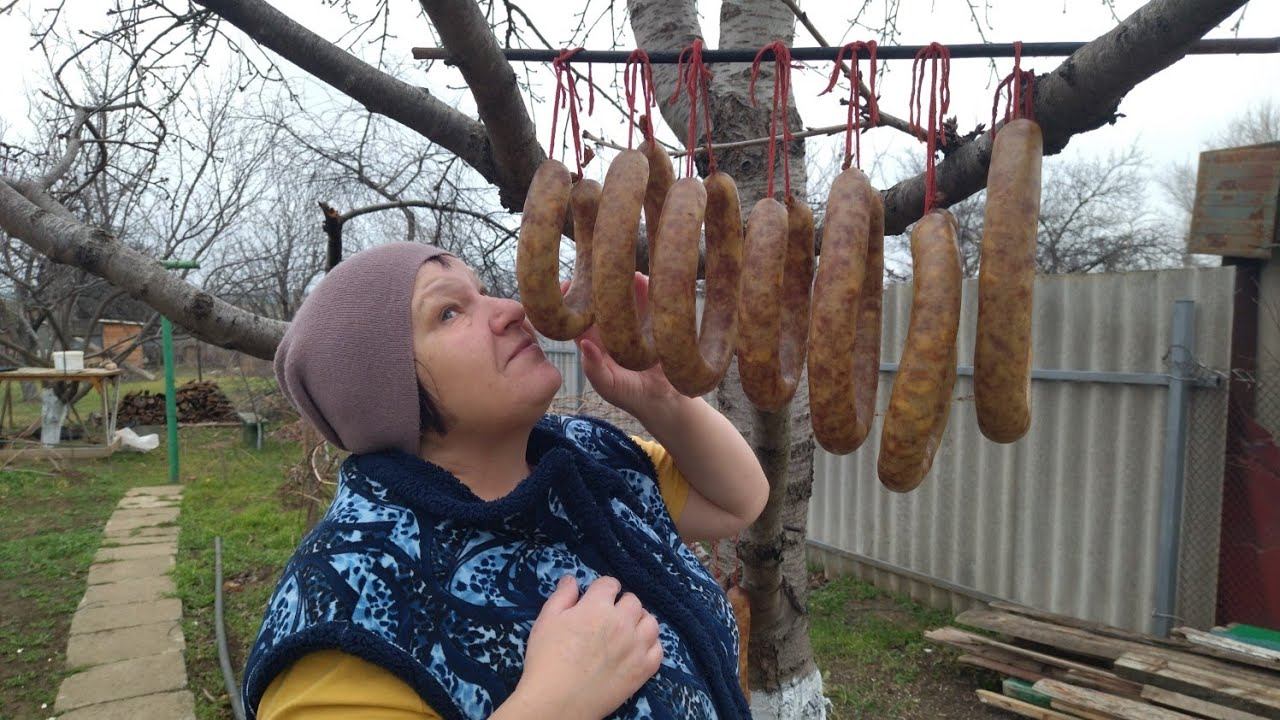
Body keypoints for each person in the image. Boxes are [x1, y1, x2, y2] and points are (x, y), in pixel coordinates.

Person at [242, 242, 769, 719]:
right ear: (381, 389)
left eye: (482, 291)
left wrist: (662, 399)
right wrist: (553, 705)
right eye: (449, 312)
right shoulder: (340, 609)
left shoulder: (582, 454)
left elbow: (737, 502)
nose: (511, 309)